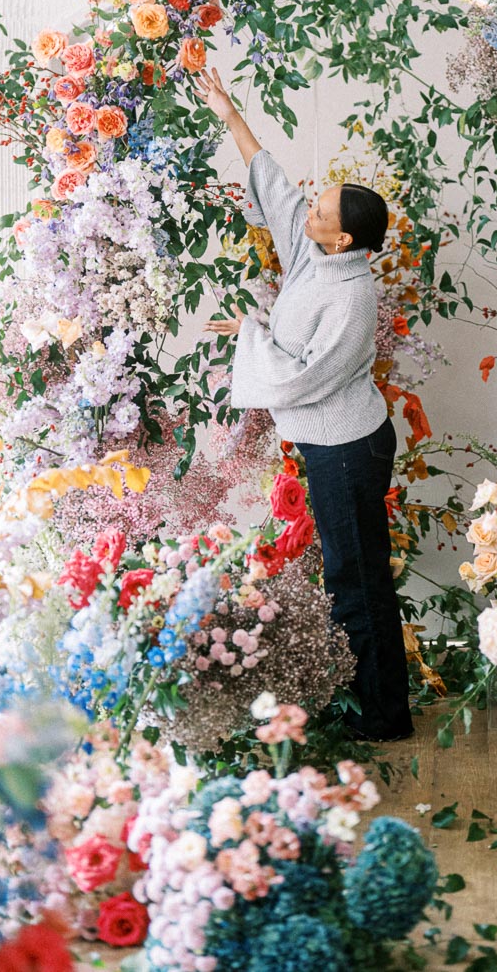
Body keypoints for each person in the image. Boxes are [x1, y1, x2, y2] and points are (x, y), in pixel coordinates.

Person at [195, 66, 413, 742]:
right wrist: (229, 110)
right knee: (349, 573)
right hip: (331, 443)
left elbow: (302, 380)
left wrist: (256, 333)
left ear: (343, 239)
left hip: (349, 447)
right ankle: (368, 704)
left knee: (357, 577)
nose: (309, 211)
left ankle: (382, 717)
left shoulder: (352, 295)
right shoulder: (311, 251)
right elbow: (276, 187)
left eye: (322, 211)